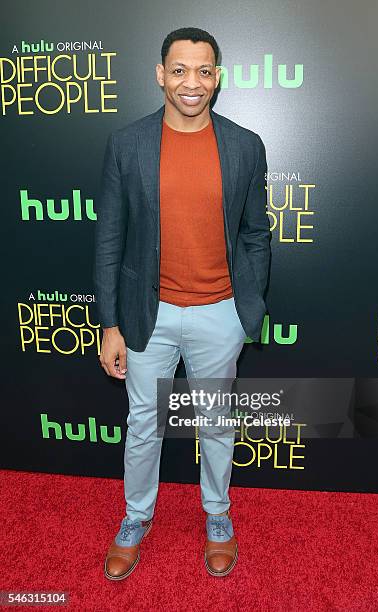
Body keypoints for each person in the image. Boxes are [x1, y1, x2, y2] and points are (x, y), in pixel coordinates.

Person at [93, 26, 271, 580]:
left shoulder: (245, 144)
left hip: (220, 312)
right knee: (143, 422)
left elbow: (256, 234)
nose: (191, 83)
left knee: (216, 424)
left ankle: (218, 515)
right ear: (159, 75)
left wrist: (248, 307)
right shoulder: (128, 144)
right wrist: (110, 323)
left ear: (217, 77)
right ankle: (135, 517)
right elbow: (110, 237)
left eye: (203, 70)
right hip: (149, 315)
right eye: (179, 70)